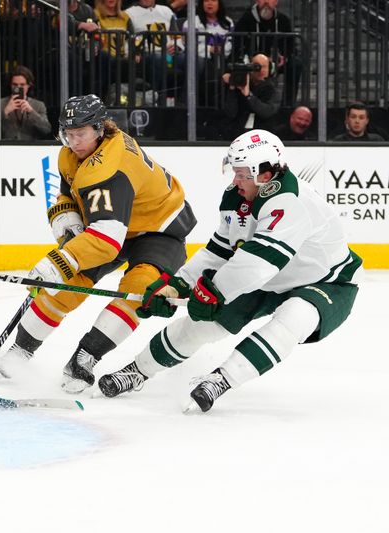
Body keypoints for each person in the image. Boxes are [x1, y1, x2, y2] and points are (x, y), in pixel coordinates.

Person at [99, 130, 363, 412]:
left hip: (328, 280)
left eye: (241, 174)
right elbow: (220, 251)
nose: (234, 181)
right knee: (200, 325)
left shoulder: (290, 200)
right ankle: (137, 370)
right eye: (234, 172)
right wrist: (178, 285)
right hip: (270, 279)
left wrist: (214, 293)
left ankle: (221, 380)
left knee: (294, 318)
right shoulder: (237, 197)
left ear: (264, 174)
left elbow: (259, 262)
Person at [0, 94, 197, 393]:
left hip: (159, 230)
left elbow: (106, 240)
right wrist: (68, 225)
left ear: (100, 129)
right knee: (66, 285)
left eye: (80, 134)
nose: (73, 141)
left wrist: (58, 262)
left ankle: (85, 357)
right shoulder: (75, 154)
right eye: (68, 133)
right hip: (115, 226)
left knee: (138, 292)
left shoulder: (111, 168)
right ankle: (21, 350)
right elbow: (69, 195)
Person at [235, 0, 301, 106]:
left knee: (295, 65)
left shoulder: (283, 20)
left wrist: (284, 57)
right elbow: (237, 45)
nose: (266, 2)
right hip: (253, 62)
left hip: (275, 62)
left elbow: (291, 46)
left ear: (276, 2)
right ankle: (244, 104)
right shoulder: (246, 20)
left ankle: (287, 105)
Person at [125, 0, 184, 105]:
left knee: (197, 61)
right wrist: (133, 52)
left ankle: (186, 102)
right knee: (158, 59)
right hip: (146, 54)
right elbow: (127, 39)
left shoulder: (166, 11)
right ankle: (157, 100)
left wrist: (177, 46)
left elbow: (176, 35)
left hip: (170, 53)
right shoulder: (129, 13)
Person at [181, 0, 234, 106]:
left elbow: (231, 44)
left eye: (213, 0)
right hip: (199, 60)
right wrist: (208, 49)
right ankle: (189, 102)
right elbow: (187, 46)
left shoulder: (228, 22)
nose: (209, 3)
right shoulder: (192, 22)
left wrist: (221, 50)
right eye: (206, 0)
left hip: (221, 60)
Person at [221, 53, 280, 138]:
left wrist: (249, 96)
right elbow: (230, 113)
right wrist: (232, 87)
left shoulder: (273, 90)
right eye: (257, 66)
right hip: (238, 133)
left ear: (270, 69)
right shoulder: (240, 83)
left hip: (263, 135)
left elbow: (267, 111)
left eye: (264, 66)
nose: (260, 70)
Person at [0, 65, 51, 140]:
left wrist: (31, 112)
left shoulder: (38, 105)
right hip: (6, 148)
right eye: (15, 85)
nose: (18, 88)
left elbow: (47, 129)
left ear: (28, 85)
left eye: (22, 85)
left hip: (30, 148)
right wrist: (5, 112)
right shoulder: (0, 103)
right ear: (10, 85)